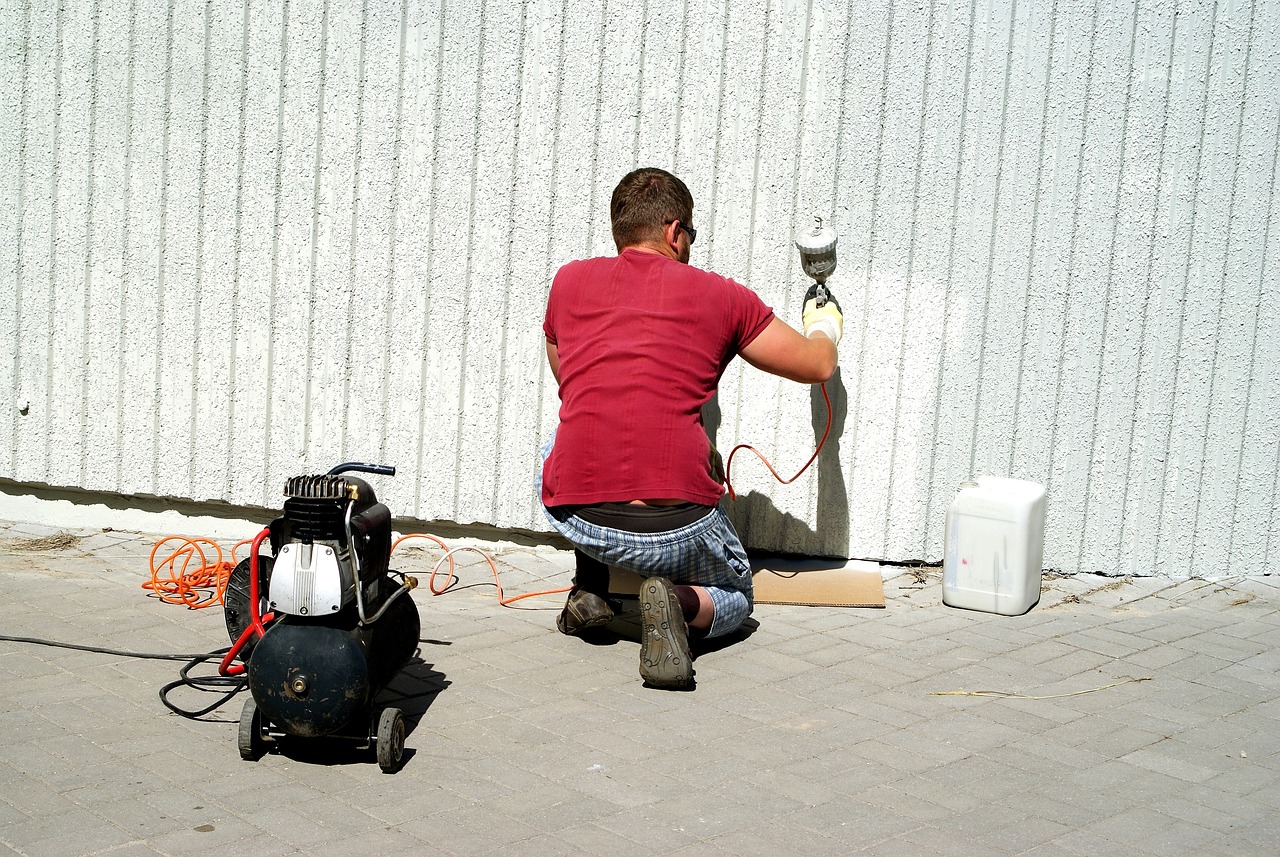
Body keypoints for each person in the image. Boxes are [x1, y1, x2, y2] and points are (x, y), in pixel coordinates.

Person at [538, 167, 842, 689]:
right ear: (676, 232)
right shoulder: (722, 297)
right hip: (677, 526)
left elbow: (567, 375)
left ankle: (588, 589)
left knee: (565, 434)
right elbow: (817, 365)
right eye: (691, 237)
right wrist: (823, 321)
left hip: (580, 513)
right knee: (737, 597)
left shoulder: (567, 282)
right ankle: (676, 604)